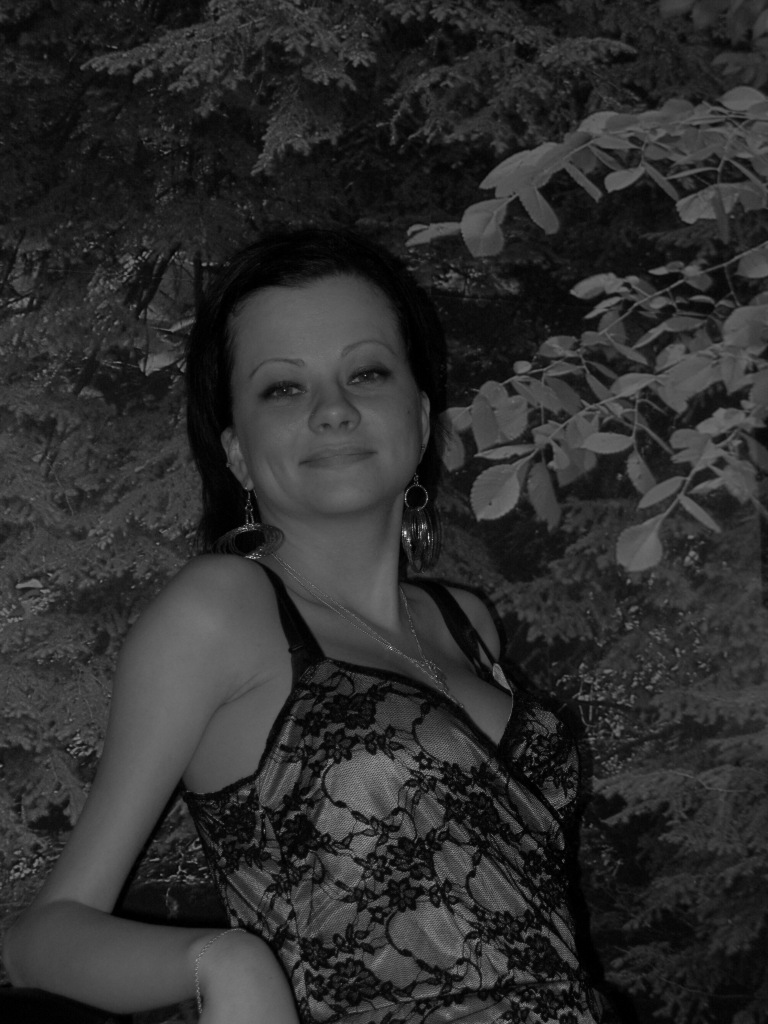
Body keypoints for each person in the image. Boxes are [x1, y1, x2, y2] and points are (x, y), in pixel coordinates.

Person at [3, 228, 604, 1023]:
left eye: (367, 372)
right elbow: (40, 938)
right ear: (237, 453)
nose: (334, 410)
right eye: (283, 388)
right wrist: (223, 964)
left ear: (422, 417)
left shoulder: (466, 622)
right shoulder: (221, 612)